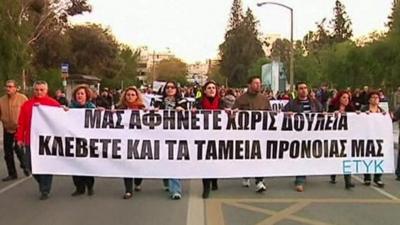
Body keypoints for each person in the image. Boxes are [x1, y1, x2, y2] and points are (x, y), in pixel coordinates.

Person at [16, 81, 61, 200]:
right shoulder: (27, 105)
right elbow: (21, 123)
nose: (39, 92)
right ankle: (42, 182)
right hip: (30, 141)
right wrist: (19, 138)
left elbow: (62, 119)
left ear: (46, 90)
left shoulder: (53, 104)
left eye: (42, 90)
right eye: (37, 89)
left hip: (47, 141)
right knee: (30, 165)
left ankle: (45, 189)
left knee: (46, 166)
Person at [283, 81, 323, 192]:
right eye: (301, 88)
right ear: (297, 90)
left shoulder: (314, 103)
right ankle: (299, 180)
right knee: (301, 156)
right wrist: (287, 114)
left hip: (312, 134)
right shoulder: (292, 104)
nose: (303, 90)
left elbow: (322, 114)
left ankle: (303, 175)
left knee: (308, 156)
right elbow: (282, 115)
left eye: (305, 88)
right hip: (298, 135)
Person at [233, 76, 271, 193]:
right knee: (247, 156)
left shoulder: (264, 99)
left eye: (259, 83)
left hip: (260, 134)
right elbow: (233, 114)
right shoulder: (241, 99)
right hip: (246, 134)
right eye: (255, 83)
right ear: (249, 85)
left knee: (259, 157)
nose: (258, 85)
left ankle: (259, 181)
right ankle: (246, 174)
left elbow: (270, 115)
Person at [154, 81, 186, 200]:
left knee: (174, 161)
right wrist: (155, 110)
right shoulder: (158, 100)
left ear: (176, 89)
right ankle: (166, 180)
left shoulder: (182, 101)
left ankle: (176, 190)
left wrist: (182, 110)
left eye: (172, 87)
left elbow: (188, 116)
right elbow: (151, 112)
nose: (170, 89)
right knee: (164, 160)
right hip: (161, 135)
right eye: (167, 87)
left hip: (176, 135)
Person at [116, 86, 146, 199]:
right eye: (128, 94)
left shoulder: (142, 109)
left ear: (137, 96)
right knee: (127, 165)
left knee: (138, 165)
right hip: (124, 141)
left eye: (133, 95)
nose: (130, 97)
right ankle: (128, 190)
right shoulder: (119, 108)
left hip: (139, 141)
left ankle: (137, 182)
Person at [194, 80, 221, 199]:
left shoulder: (221, 102)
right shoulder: (199, 103)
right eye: (209, 88)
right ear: (204, 91)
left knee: (215, 160)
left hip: (217, 135)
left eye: (213, 88)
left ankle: (214, 180)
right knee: (205, 161)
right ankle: (206, 188)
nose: (211, 90)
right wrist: (193, 113)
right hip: (203, 135)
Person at [69, 85, 96, 196]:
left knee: (87, 164)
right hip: (74, 141)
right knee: (75, 165)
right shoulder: (70, 108)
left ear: (86, 96)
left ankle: (90, 186)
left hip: (88, 142)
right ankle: (79, 188)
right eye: (78, 94)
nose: (80, 95)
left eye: (82, 93)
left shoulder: (92, 108)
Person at [0, 80, 29, 181]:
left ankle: (25, 166)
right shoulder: (1, 100)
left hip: (19, 128)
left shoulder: (22, 98)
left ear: (15, 88)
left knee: (18, 149)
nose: (8, 88)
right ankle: (12, 173)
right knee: (7, 153)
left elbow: (28, 112)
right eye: (7, 87)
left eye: (10, 87)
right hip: (7, 128)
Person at [328, 91, 355, 189]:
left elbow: (356, 120)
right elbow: (326, 118)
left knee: (347, 158)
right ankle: (333, 174)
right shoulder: (332, 107)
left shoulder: (351, 109)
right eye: (344, 97)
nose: (346, 99)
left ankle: (348, 181)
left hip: (347, 137)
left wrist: (359, 114)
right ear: (339, 98)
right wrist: (332, 114)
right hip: (335, 137)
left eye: (348, 98)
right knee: (336, 157)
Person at [361, 91, 385, 188]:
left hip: (378, 138)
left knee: (379, 157)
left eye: (377, 97)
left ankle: (377, 177)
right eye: (373, 97)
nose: (375, 99)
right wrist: (360, 115)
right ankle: (367, 177)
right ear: (369, 99)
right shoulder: (364, 109)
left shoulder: (382, 111)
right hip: (366, 136)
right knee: (367, 156)